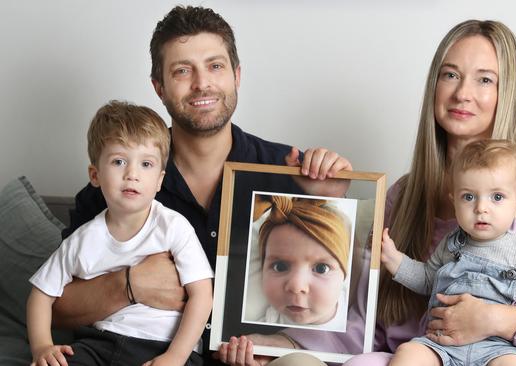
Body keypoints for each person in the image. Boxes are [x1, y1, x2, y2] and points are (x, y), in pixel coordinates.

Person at [223, 19, 516, 366]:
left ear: (507, 92)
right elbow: (363, 316)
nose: (462, 93)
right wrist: (277, 343)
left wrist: (503, 320)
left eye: (484, 79)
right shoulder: (405, 194)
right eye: (450, 75)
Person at [50, 5, 350, 366]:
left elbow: (341, 299)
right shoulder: (122, 178)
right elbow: (55, 307)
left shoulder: (287, 170)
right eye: (182, 71)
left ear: (237, 75)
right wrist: (128, 285)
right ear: (158, 88)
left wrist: (339, 199)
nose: (202, 83)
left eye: (215, 66)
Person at [27, 101, 213, 365]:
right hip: (99, 344)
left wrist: (175, 356)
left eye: (146, 164)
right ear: (95, 175)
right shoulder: (83, 238)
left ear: (160, 180)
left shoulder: (173, 227)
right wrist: (42, 346)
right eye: (118, 161)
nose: (132, 174)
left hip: (165, 346)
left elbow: (202, 294)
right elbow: (40, 295)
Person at [382, 139, 516, 366]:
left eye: (497, 197)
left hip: (500, 348)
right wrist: (396, 261)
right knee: (408, 353)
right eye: (469, 197)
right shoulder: (452, 244)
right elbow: (427, 279)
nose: (481, 208)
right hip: (441, 344)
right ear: (455, 202)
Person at [253, 195, 350, 330]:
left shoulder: (354, 313)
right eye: (280, 266)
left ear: (343, 275)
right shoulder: (268, 322)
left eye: (321, 268)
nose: (296, 286)